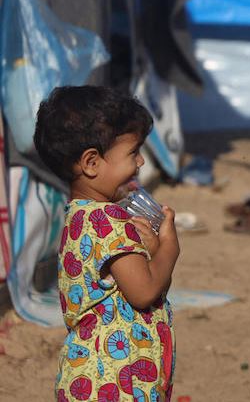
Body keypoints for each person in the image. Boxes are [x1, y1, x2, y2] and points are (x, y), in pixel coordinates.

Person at [34, 86, 179, 402]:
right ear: (91, 162)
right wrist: (169, 247)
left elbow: (134, 286)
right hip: (114, 381)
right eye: (133, 152)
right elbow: (144, 291)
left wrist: (152, 252)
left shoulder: (80, 216)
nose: (141, 161)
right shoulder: (108, 220)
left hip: (95, 377)